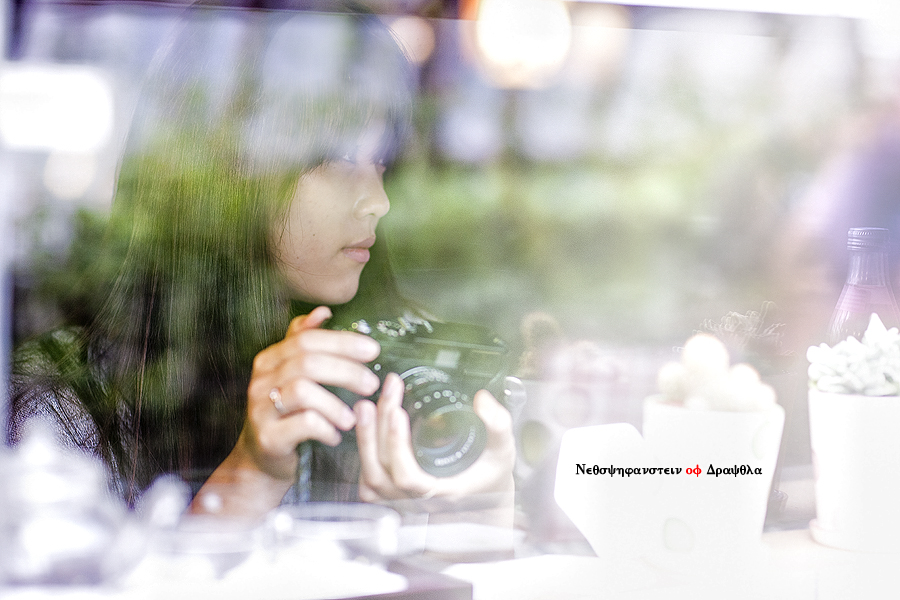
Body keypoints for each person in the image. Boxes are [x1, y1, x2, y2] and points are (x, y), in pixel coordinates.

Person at [7, 5, 515, 527]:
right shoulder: (63, 404)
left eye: (382, 160)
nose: (378, 201)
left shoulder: (401, 366)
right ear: (234, 171)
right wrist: (251, 474)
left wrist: (481, 510)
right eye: (341, 159)